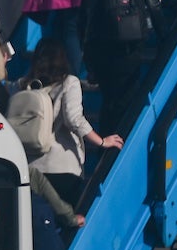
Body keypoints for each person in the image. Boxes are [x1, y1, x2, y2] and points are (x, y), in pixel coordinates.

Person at [80, 0, 170, 134]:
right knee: (126, 102)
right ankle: (117, 148)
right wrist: (165, 38)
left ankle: (106, 143)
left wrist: (87, 51)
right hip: (130, 47)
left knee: (110, 100)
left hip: (100, 47)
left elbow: (84, 14)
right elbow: (153, 5)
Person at [23, 37, 122, 207]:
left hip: (30, 169)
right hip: (63, 168)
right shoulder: (69, 82)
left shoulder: (23, 85)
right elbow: (74, 118)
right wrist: (102, 141)